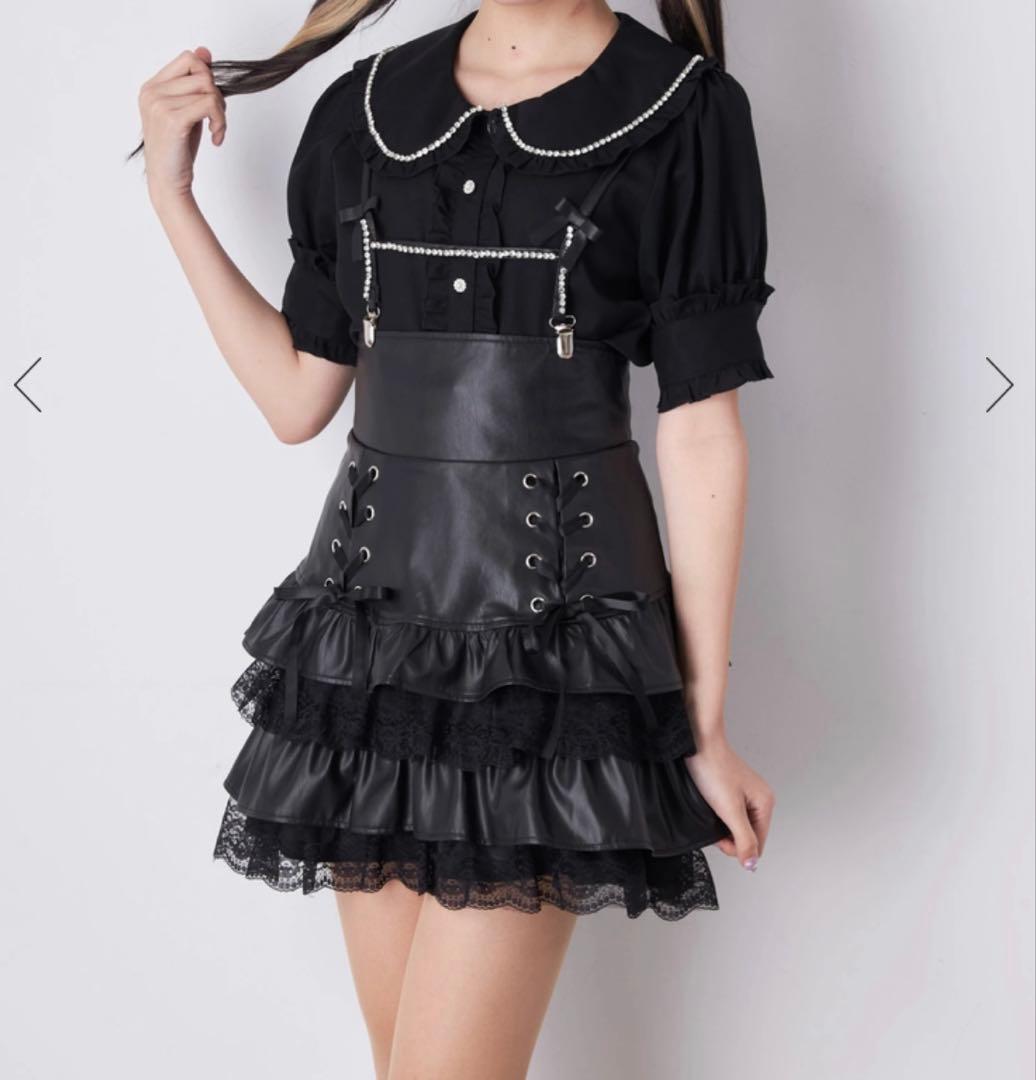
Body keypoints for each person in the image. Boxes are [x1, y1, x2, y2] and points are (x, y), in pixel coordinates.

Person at [137, 1, 777, 1075]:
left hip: (554, 664)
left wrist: (702, 723)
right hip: (368, 661)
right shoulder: (366, 107)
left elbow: (702, 430)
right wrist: (173, 196)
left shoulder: (684, 110)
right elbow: (298, 398)